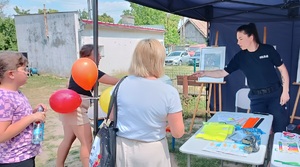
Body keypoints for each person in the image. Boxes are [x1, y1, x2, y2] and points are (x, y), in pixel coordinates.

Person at [192, 23, 290, 133]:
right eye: (237, 39)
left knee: (280, 128)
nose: (238, 42)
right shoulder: (240, 57)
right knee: (260, 130)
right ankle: (264, 149)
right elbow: (223, 72)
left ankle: (276, 149)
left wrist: (285, 91)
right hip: (257, 99)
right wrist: (205, 73)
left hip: (275, 96)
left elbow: (283, 70)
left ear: (251, 37)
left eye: (241, 39)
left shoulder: (268, 50)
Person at [110, 39, 185, 167]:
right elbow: (178, 132)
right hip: (152, 151)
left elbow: (112, 117)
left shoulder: (120, 84)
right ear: (160, 60)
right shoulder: (169, 92)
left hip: (122, 148)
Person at [56, 44, 119, 167]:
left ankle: (59, 165)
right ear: (87, 56)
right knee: (87, 142)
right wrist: (128, 80)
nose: (100, 56)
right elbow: (113, 80)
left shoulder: (78, 67)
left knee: (68, 139)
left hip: (69, 105)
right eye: (97, 54)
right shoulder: (88, 68)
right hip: (77, 107)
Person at [0, 51, 47, 166]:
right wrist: (31, 117)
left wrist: (33, 113)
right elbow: (2, 135)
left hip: (24, 155)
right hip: (14, 160)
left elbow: (15, 119)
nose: (27, 72)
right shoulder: (4, 98)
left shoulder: (15, 93)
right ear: (11, 74)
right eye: (24, 69)